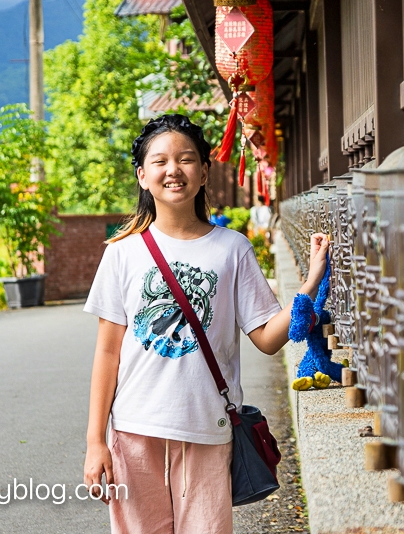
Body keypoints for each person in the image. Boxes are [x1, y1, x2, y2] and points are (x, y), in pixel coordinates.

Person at [82, 113, 328, 534]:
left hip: (208, 427)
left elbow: (267, 338)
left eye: (186, 159)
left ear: (203, 173)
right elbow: (108, 352)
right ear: (143, 176)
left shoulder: (232, 250)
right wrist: (95, 442)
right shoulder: (122, 253)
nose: (173, 170)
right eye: (159, 162)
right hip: (135, 430)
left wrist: (310, 282)